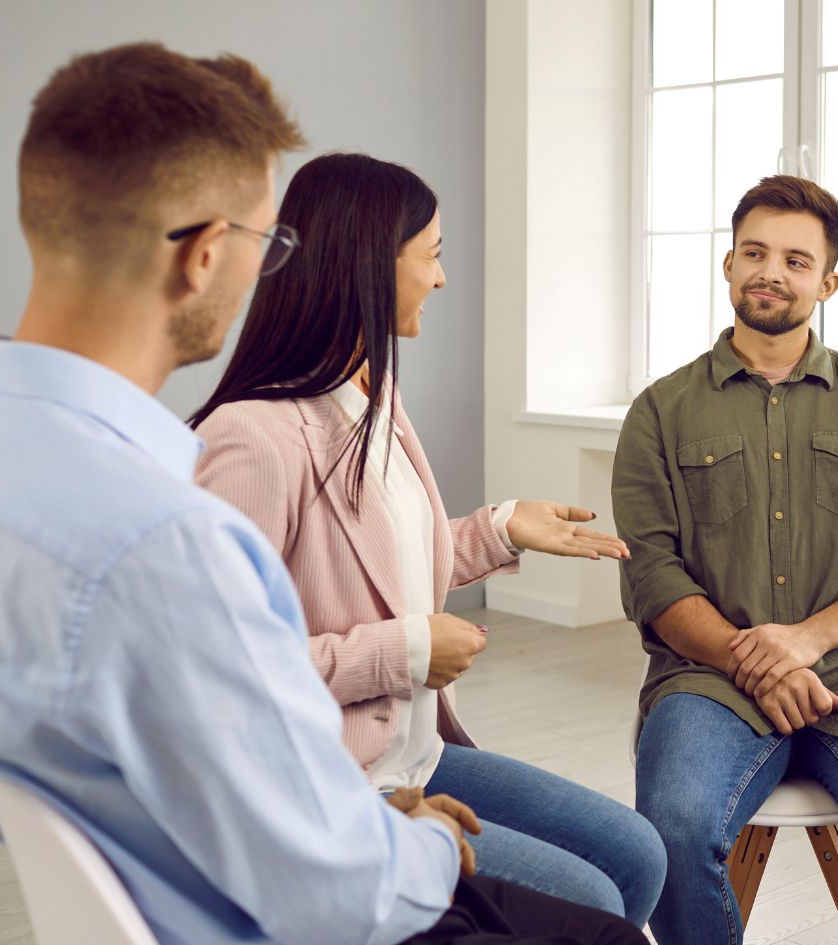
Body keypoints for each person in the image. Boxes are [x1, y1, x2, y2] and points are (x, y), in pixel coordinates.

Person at [0, 42, 643, 945]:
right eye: (271, 240)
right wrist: (422, 837)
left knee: (620, 872)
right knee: (607, 929)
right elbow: (333, 890)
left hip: (199, 875)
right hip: (287, 906)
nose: (277, 267)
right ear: (204, 256)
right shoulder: (165, 534)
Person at [191, 152, 665, 927]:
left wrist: (500, 527)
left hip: (418, 754)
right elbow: (214, 673)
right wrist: (404, 652)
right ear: (372, 266)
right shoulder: (251, 441)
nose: (442, 280)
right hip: (331, 787)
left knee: (636, 854)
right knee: (593, 905)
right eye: (433, 255)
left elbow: (373, 561)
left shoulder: (372, 398)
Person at [612, 174, 838, 944]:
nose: (772, 270)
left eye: (796, 260)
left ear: (827, 281)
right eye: (755, 252)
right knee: (670, 828)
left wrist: (804, 642)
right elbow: (651, 572)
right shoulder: (660, 411)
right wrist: (756, 659)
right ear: (729, 266)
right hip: (707, 677)